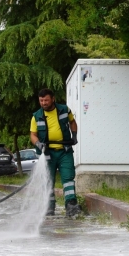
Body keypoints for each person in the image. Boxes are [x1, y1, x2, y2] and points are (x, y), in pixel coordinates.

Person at [30, 88, 82, 218]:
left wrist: (74, 135)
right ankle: (49, 207)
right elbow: (33, 135)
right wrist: (38, 143)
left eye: (46, 100)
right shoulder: (36, 116)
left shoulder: (64, 110)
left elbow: (72, 122)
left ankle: (71, 205)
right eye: (41, 100)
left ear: (53, 99)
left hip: (64, 151)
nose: (43, 103)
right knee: (48, 181)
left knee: (68, 178)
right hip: (47, 154)